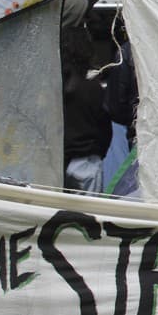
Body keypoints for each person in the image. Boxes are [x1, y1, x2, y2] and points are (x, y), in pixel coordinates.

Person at [61, 25, 111, 192]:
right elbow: (104, 127)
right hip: (86, 161)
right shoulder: (93, 88)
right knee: (88, 216)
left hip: (56, 161)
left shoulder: (52, 87)